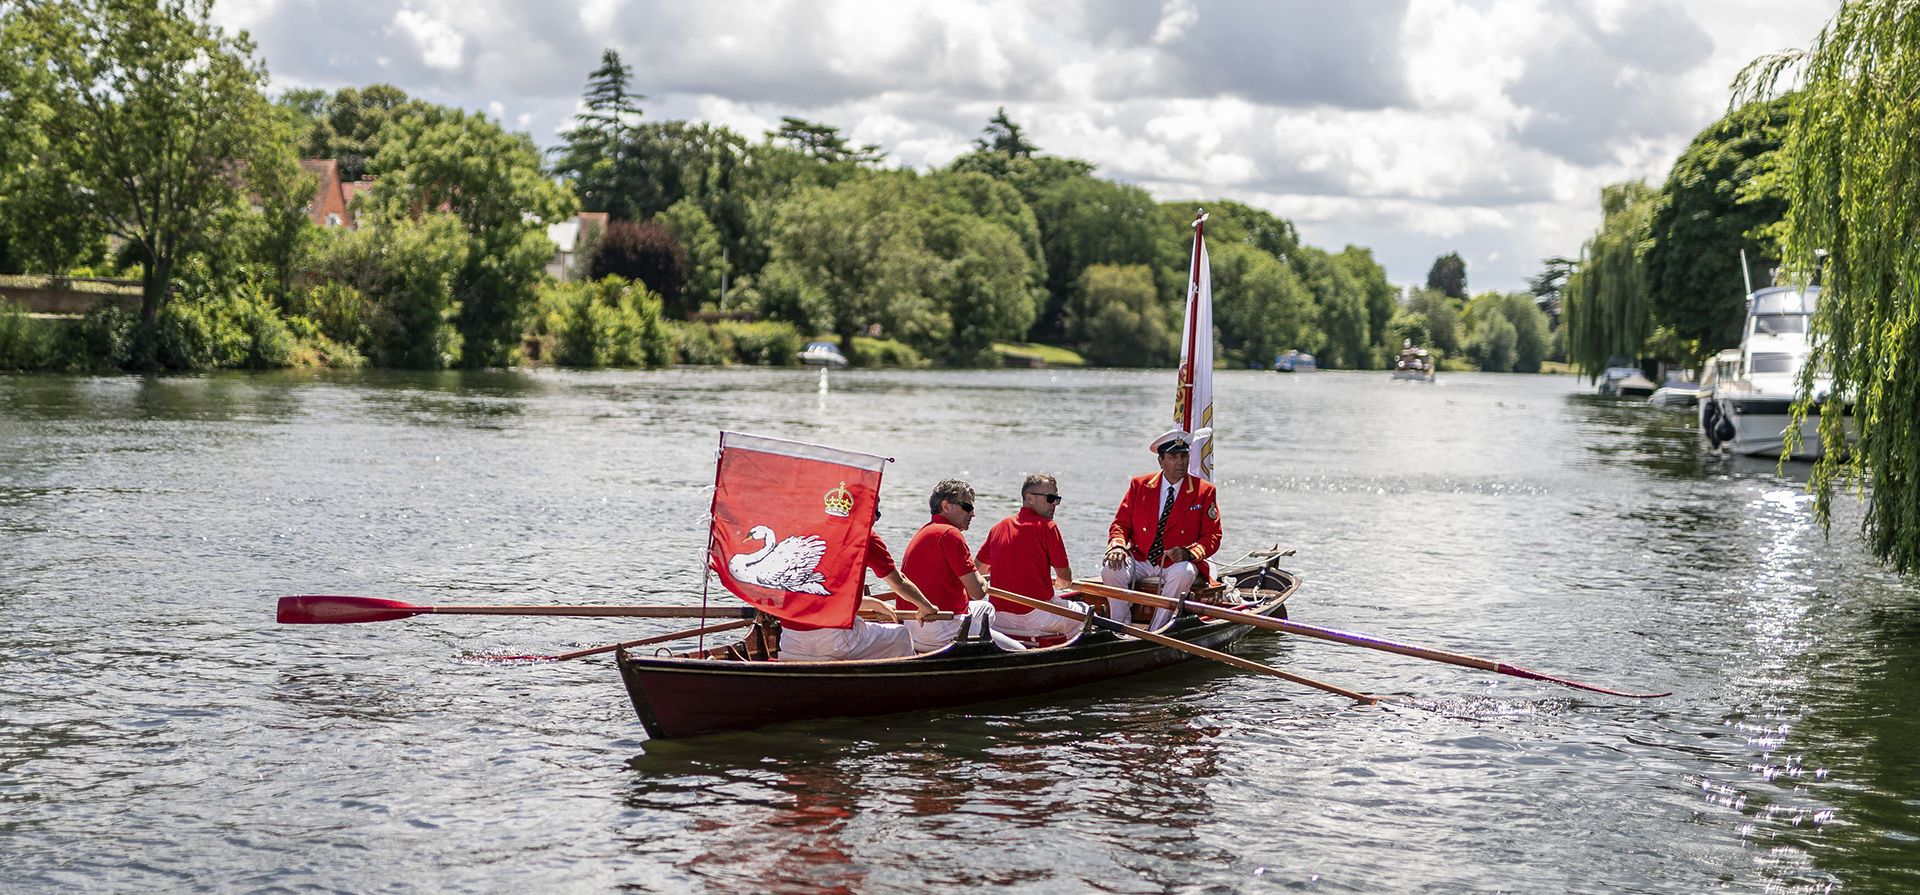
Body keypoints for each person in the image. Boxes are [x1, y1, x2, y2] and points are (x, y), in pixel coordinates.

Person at [1101, 428, 1223, 630]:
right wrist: (1117, 547)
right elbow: (1120, 525)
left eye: (1184, 456)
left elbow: (1212, 536)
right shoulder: (1139, 485)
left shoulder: (1204, 491)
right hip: (1141, 557)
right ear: (1161, 461)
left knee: (1184, 573)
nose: (1180, 462)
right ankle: (1119, 626)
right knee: (1110, 568)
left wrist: (1188, 553)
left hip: (1175, 561)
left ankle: (1158, 629)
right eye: (1173, 457)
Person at [777, 511, 939, 662]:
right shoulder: (865, 536)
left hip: (789, 641)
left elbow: (823, 595)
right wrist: (926, 607)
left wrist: (874, 603)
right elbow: (899, 583)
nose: (875, 519)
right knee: (901, 635)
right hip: (834, 643)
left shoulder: (805, 533)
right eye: (876, 513)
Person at [900, 479, 1027, 653]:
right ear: (946, 506)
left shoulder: (925, 531)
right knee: (1020, 651)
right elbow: (977, 592)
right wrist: (981, 580)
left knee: (986, 608)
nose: (973, 514)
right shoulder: (951, 534)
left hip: (912, 627)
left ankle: (978, 641)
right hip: (940, 629)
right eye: (967, 507)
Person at [976, 473, 1090, 640]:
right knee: (1087, 614)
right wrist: (1058, 583)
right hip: (1037, 617)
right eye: (1050, 498)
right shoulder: (1048, 527)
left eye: (1057, 499)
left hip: (999, 619)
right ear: (1029, 499)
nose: (1055, 504)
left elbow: (977, 570)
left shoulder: (997, 528)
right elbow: (1065, 580)